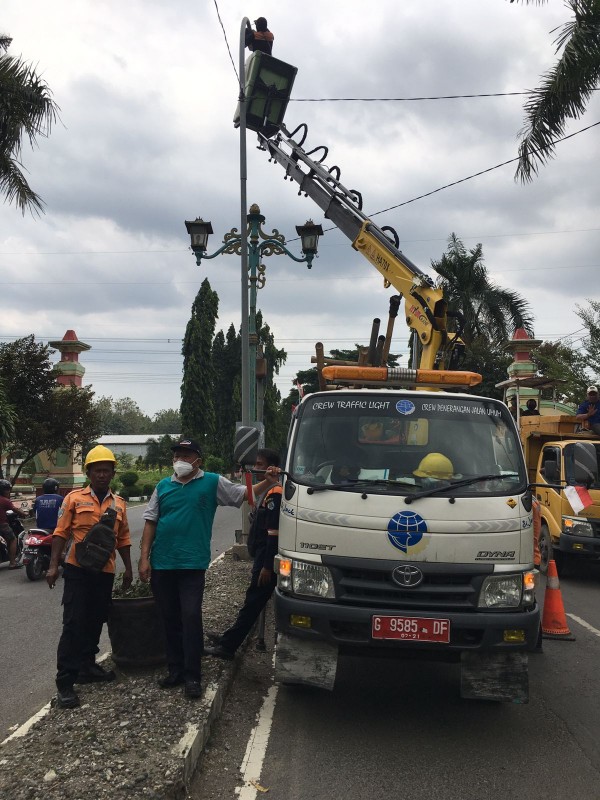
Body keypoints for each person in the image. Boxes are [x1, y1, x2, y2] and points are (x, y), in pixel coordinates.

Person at [138, 438, 280, 699]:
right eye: (177, 455)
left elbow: (244, 494)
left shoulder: (212, 482)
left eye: (186, 455)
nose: (180, 460)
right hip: (162, 562)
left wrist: (268, 482)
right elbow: (150, 521)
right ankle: (175, 670)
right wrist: (144, 557)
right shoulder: (163, 486)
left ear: (197, 461)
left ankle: (193, 676)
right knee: (169, 618)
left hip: (192, 564)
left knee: (191, 617)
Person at [46, 445, 132, 710]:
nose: (102, 475)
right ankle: (65, 683)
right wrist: (53, 566)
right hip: (77, 570)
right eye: (97, 471)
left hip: (104, 572)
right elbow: (61, 533)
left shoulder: (119, 504)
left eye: (106, 470)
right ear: (89, 473)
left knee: (96, 620)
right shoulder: (73, 498)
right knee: (74, 623)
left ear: (113, 473)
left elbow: (123, 539)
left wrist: (129, 569)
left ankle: (87, 667)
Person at [204, 448, 282, 660]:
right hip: (262, 556)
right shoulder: (266, 490)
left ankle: (227, 647)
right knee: (251, 601)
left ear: (271, 468)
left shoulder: (275, 493)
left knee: (253, 604)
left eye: (259, 464)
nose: (255, 468)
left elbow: (273, 534)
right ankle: (227, 639)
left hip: (266, 558)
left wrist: (267, 566)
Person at [0, 479, 28, 569]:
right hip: (2, 525)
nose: (9, 492)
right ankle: (12, 563)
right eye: (7, 490)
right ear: (3, 490)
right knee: (13, 539)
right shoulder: (5, 501)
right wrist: (24, 514)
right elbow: (16, 510)